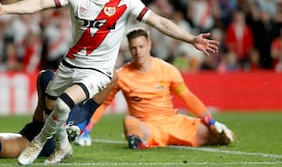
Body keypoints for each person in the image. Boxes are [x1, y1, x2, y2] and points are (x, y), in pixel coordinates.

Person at [0, 0, 219, 165]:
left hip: (98, 71)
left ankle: (38, 143)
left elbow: (158, 21)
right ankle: (62, 146)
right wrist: (5, 9)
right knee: (51, 106)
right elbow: (40, 4)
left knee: (63, 104)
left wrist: (191, 39)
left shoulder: (126, 1)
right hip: (70, 64)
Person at [73, 27, 234, 149]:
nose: (138, 52)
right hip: (147, 127)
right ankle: (140, 141)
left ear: (149, 45)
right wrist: (87, 129)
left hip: (174, 123)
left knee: (225, 136)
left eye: (141, 46)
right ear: (129, 49)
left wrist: (210, 120)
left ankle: (144, 141)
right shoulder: (122, 75)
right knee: (129, 122)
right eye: (134, 48)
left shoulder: (167, 69)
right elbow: (104, 104)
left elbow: (188, 97)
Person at [0, 69, 115, 161]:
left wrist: (93, 65)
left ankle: (63, 141)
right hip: (34, 135)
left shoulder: (88, 105)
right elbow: (40, 115)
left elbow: (113, 75)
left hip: (48, 143)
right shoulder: (51, 84)